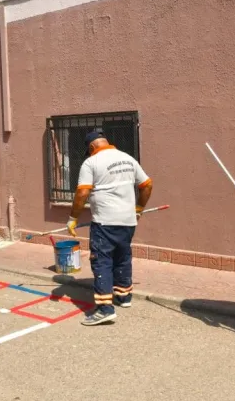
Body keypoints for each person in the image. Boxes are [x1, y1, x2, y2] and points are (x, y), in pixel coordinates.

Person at [68, 130, 153, 326]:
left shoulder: (91, 162)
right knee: (122, 256)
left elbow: (82, 193)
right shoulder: (127, 158)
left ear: (91, 147)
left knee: (102, 261)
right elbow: (147, 185)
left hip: (105, 222)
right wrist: (139, 208)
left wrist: (73, 218)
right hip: (128, 220)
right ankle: (124, 296)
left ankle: (104, 309)